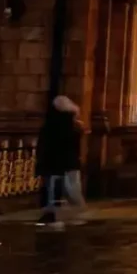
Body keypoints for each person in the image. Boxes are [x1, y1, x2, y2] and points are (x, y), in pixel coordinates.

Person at [36, 94, 84, 229]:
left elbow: (44, 145)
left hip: (55, 163)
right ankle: (69, 215)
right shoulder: (73, 126)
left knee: (54, 189)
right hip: (68, 163)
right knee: (70, 190)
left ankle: (54, 214)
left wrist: (41, 162)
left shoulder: (52, 125)